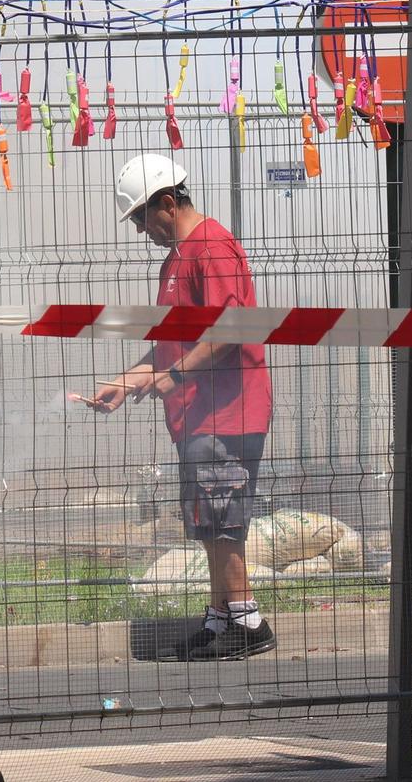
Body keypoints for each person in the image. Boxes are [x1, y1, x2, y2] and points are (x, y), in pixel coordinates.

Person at [89, 153, 275, 661]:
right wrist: (127, 383)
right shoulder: (178, 259)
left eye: (142, 219)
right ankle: (220, 620)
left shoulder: (211, 248)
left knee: (223, 516)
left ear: (167, 203)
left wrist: (173, 376)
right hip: (198, 413)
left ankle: (247, 622)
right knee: (208, 520)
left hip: (228, 411)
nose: (141, 231)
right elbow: (174, 343)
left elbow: (233, 328)